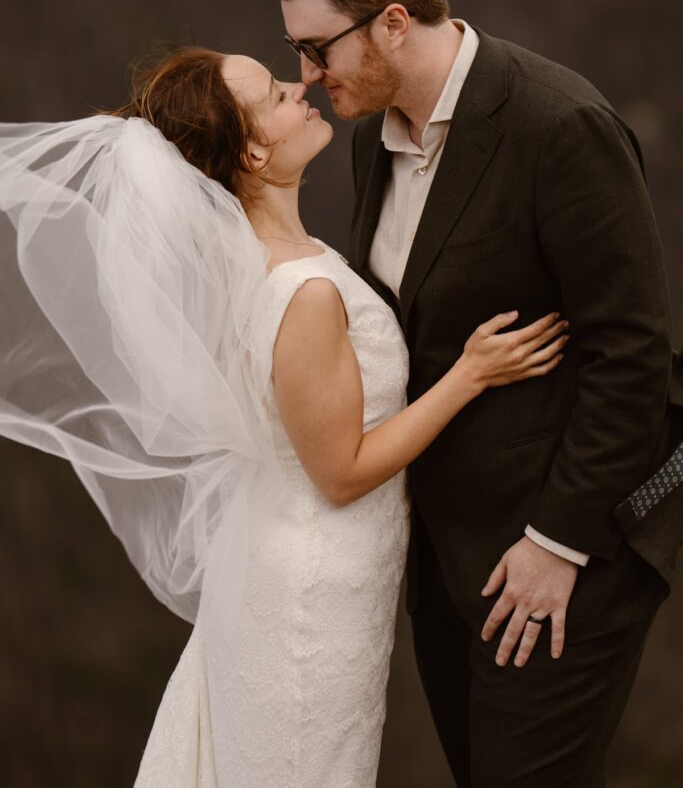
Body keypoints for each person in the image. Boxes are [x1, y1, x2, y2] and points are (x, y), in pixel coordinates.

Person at [0, 46, 567, 787]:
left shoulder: (271, 263)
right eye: (274, 94)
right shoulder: (302, 291)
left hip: (297, 561)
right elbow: (340, 472)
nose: (301, 89)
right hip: (309, 590)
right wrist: (470, 375)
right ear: (253, 148)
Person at [262, 0, 677, 787]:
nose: (304, 73)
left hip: (561, 564)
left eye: (314, 45)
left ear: (393, 23)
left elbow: (634, 354)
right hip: (441, 564)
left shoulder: (559, 127)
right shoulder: (373, 138)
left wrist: (556, 545)